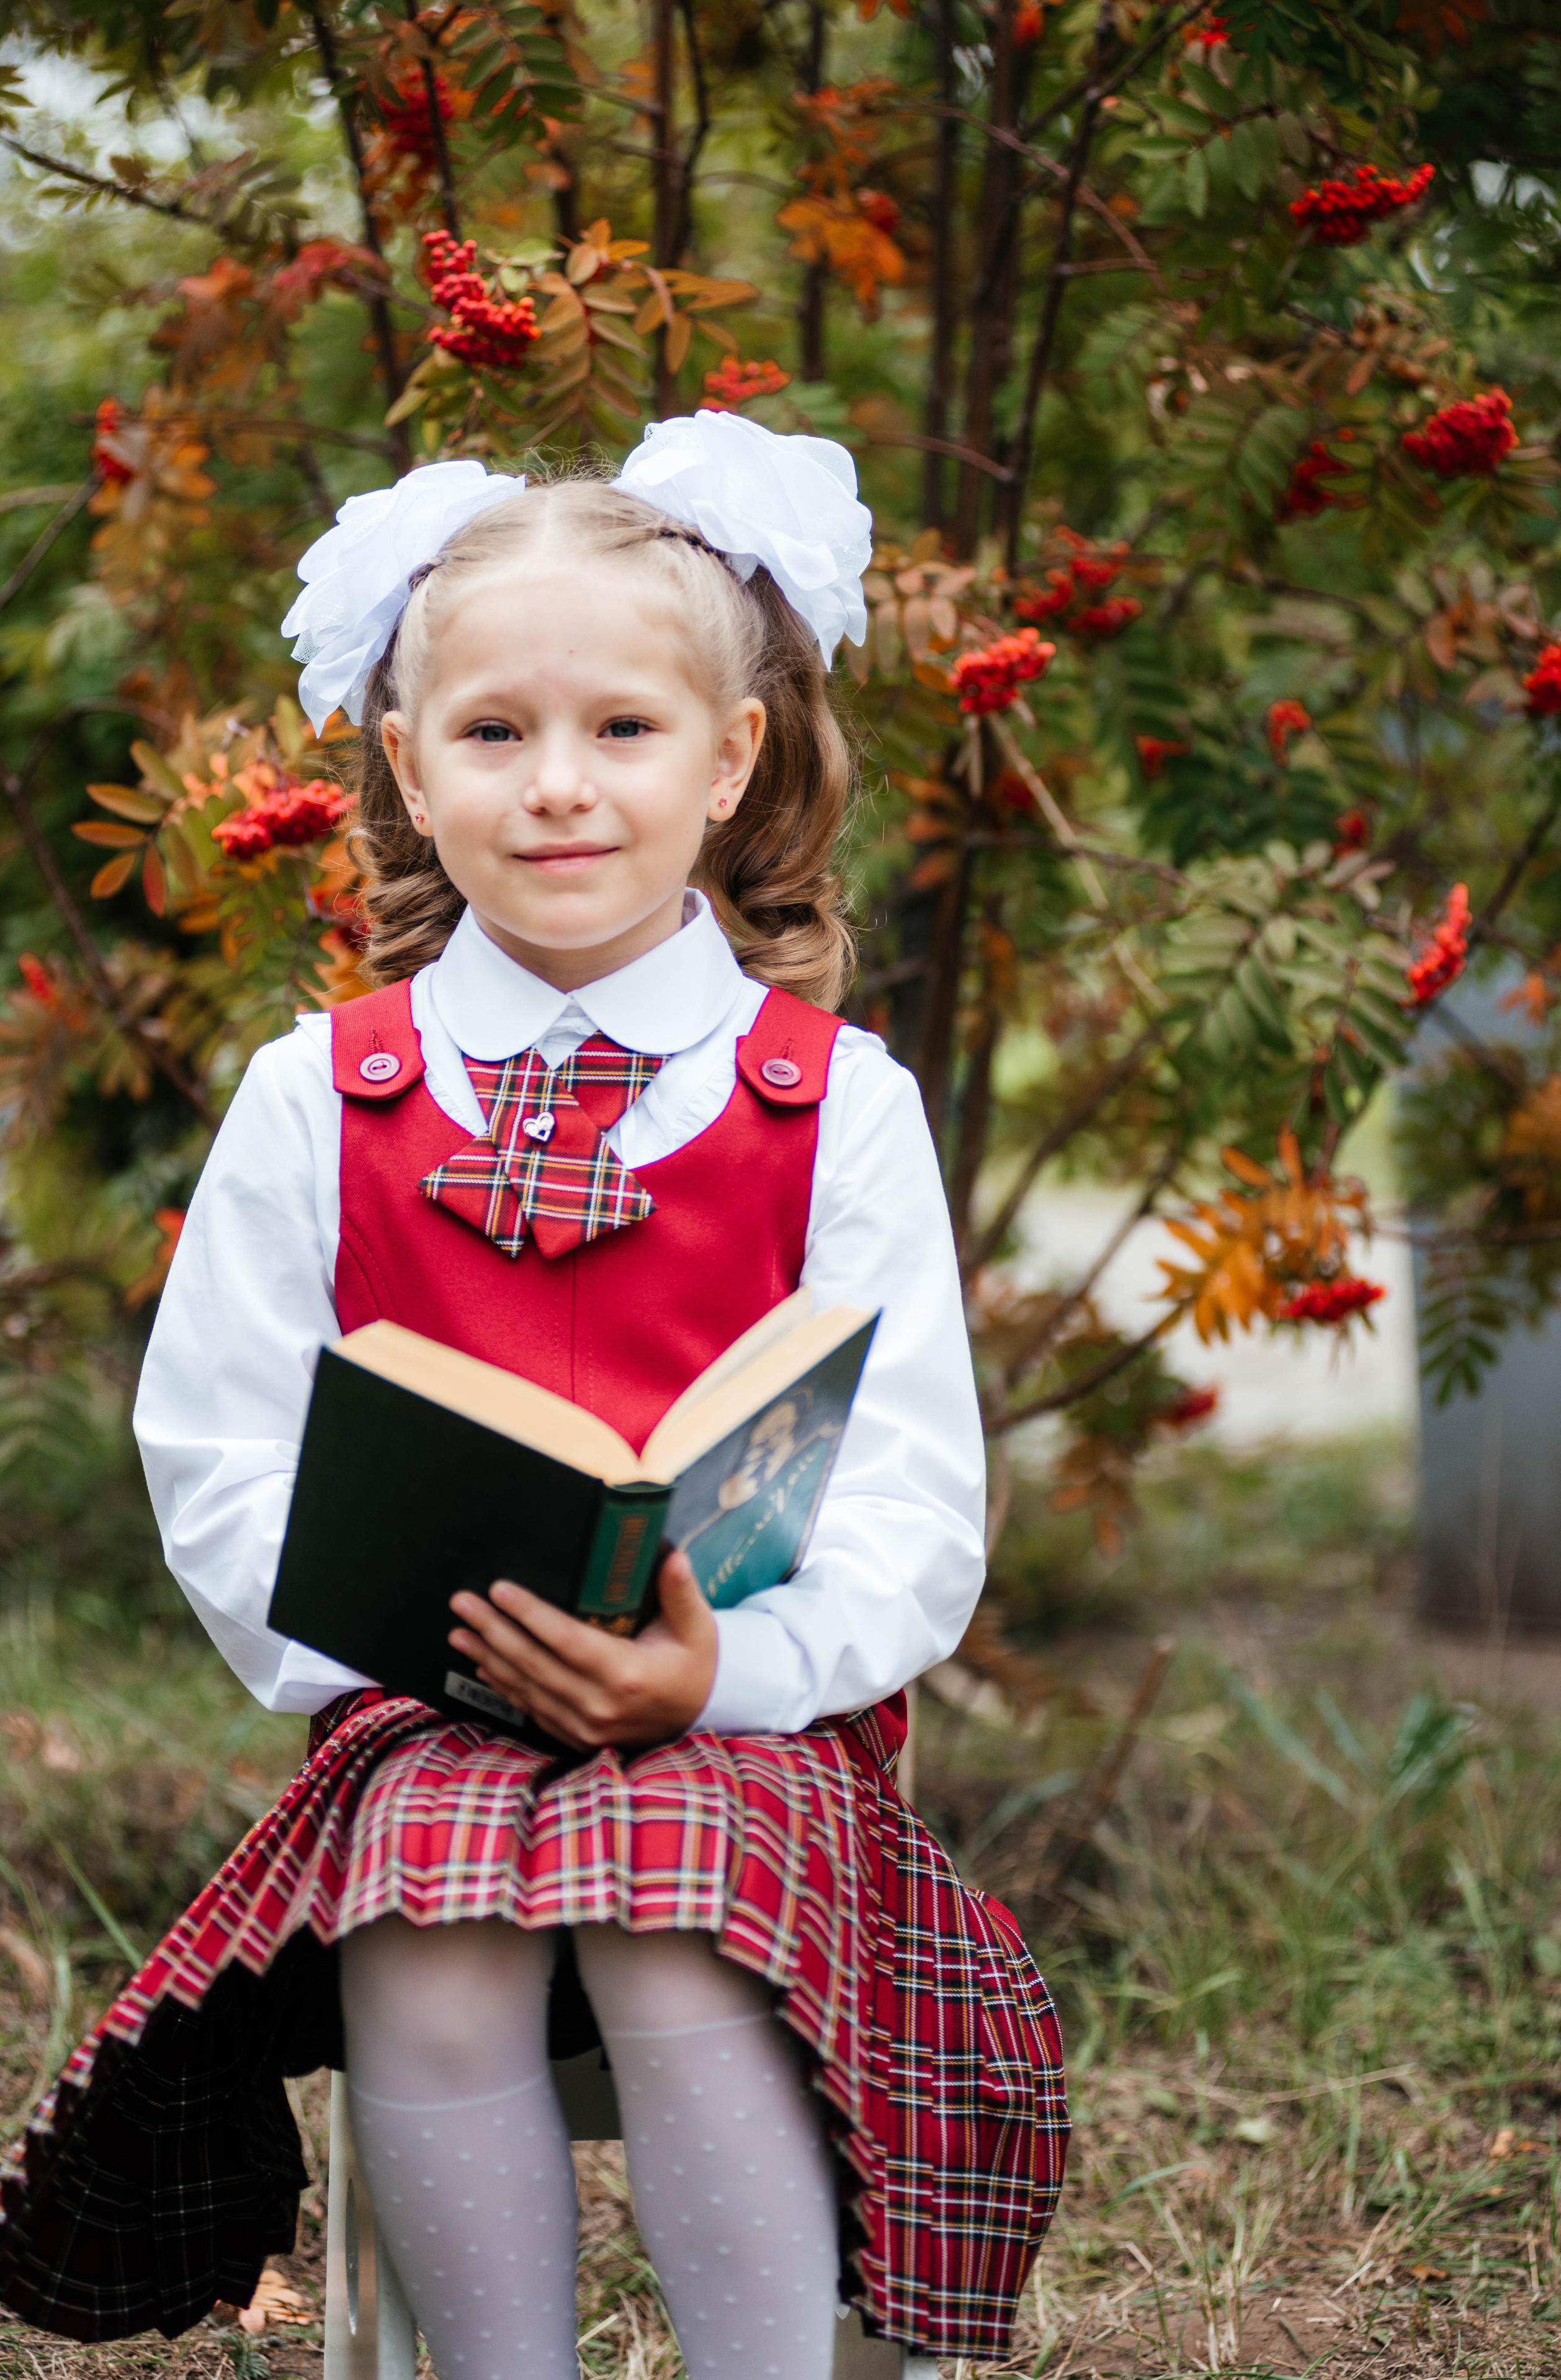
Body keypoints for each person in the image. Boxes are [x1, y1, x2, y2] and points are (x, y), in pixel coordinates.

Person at [0, 414, 1067, 2377]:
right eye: (493, 734)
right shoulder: (323, 1096)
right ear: (408, 769)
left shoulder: (836, 1106)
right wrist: (387, 1643)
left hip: (753, 1728)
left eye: (624, 733)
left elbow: (915, 1500)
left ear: (731, 756)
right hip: (424, 1711)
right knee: (428, 1919)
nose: (558, 787)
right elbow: (216, 1451)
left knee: (674, 1903)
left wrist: (719, 1675)